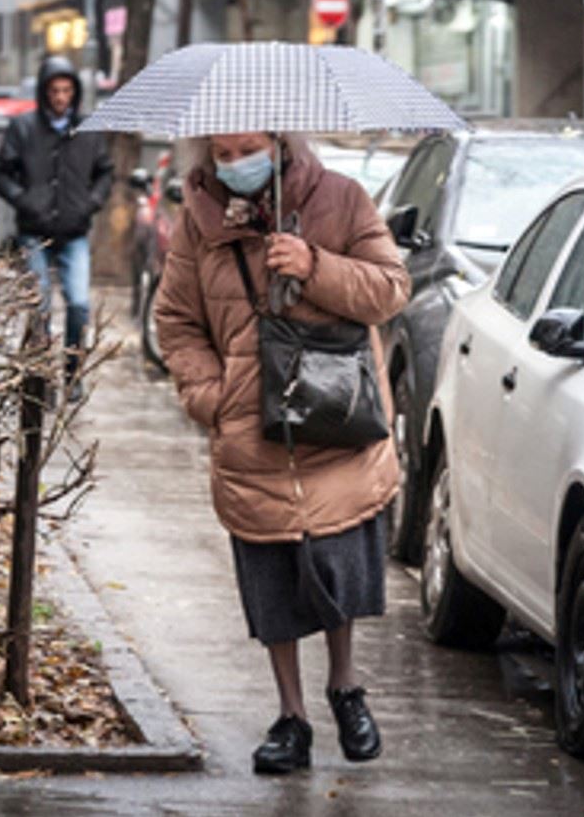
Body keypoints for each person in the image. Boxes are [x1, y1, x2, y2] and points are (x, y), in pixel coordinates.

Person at [152, 132, 409, 775]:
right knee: (272, 578)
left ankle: (345, 688)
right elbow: (176, 320)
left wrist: (314, 265)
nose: (236, 163)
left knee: (337, 562)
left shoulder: (342, 199)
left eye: (248, 149)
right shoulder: (200, 222)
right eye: (224, 153)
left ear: (279, 142)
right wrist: (211, 396)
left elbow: (389, 289)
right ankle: (292, 717)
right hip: (250, 429)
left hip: (334, 421)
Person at [0, 56, 114, 398]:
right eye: (55, 90)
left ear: (75, 92)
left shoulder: (88, 129)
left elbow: (105, 170)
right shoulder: (24, 128)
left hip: (74, 230)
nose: (61, 98)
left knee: (78, 304)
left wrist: (91, 202)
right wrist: (25, 199)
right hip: (34, 230)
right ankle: (38, 376)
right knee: (39, 305)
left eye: (67, 90)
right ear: (45, 93)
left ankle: (72, 375)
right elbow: (0, 171)